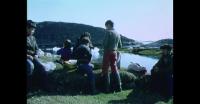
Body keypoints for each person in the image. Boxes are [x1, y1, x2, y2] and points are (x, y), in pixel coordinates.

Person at [27, 20, 51, 92]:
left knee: (41, 67)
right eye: (31, 29)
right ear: (27, 28)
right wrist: (28, 55)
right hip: (27, 57)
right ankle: (28, 87)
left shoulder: (33, 38)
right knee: (30, 66)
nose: (32, 31)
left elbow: (36, 48)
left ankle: (45, 86)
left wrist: (37, 53)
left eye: (33, 29)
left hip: (33, 56)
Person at [101, 20, 122, 93]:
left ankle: (107, 89)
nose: (106, 28)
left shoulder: (108, 32)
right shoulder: (118, 33)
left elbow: (105, 44)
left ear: (109, 25)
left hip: (108, 52)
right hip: (115, 52)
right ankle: (119, 87)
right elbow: (120, 45)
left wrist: (102, 44)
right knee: (114, 68)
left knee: (105, 69)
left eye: (106, 26)